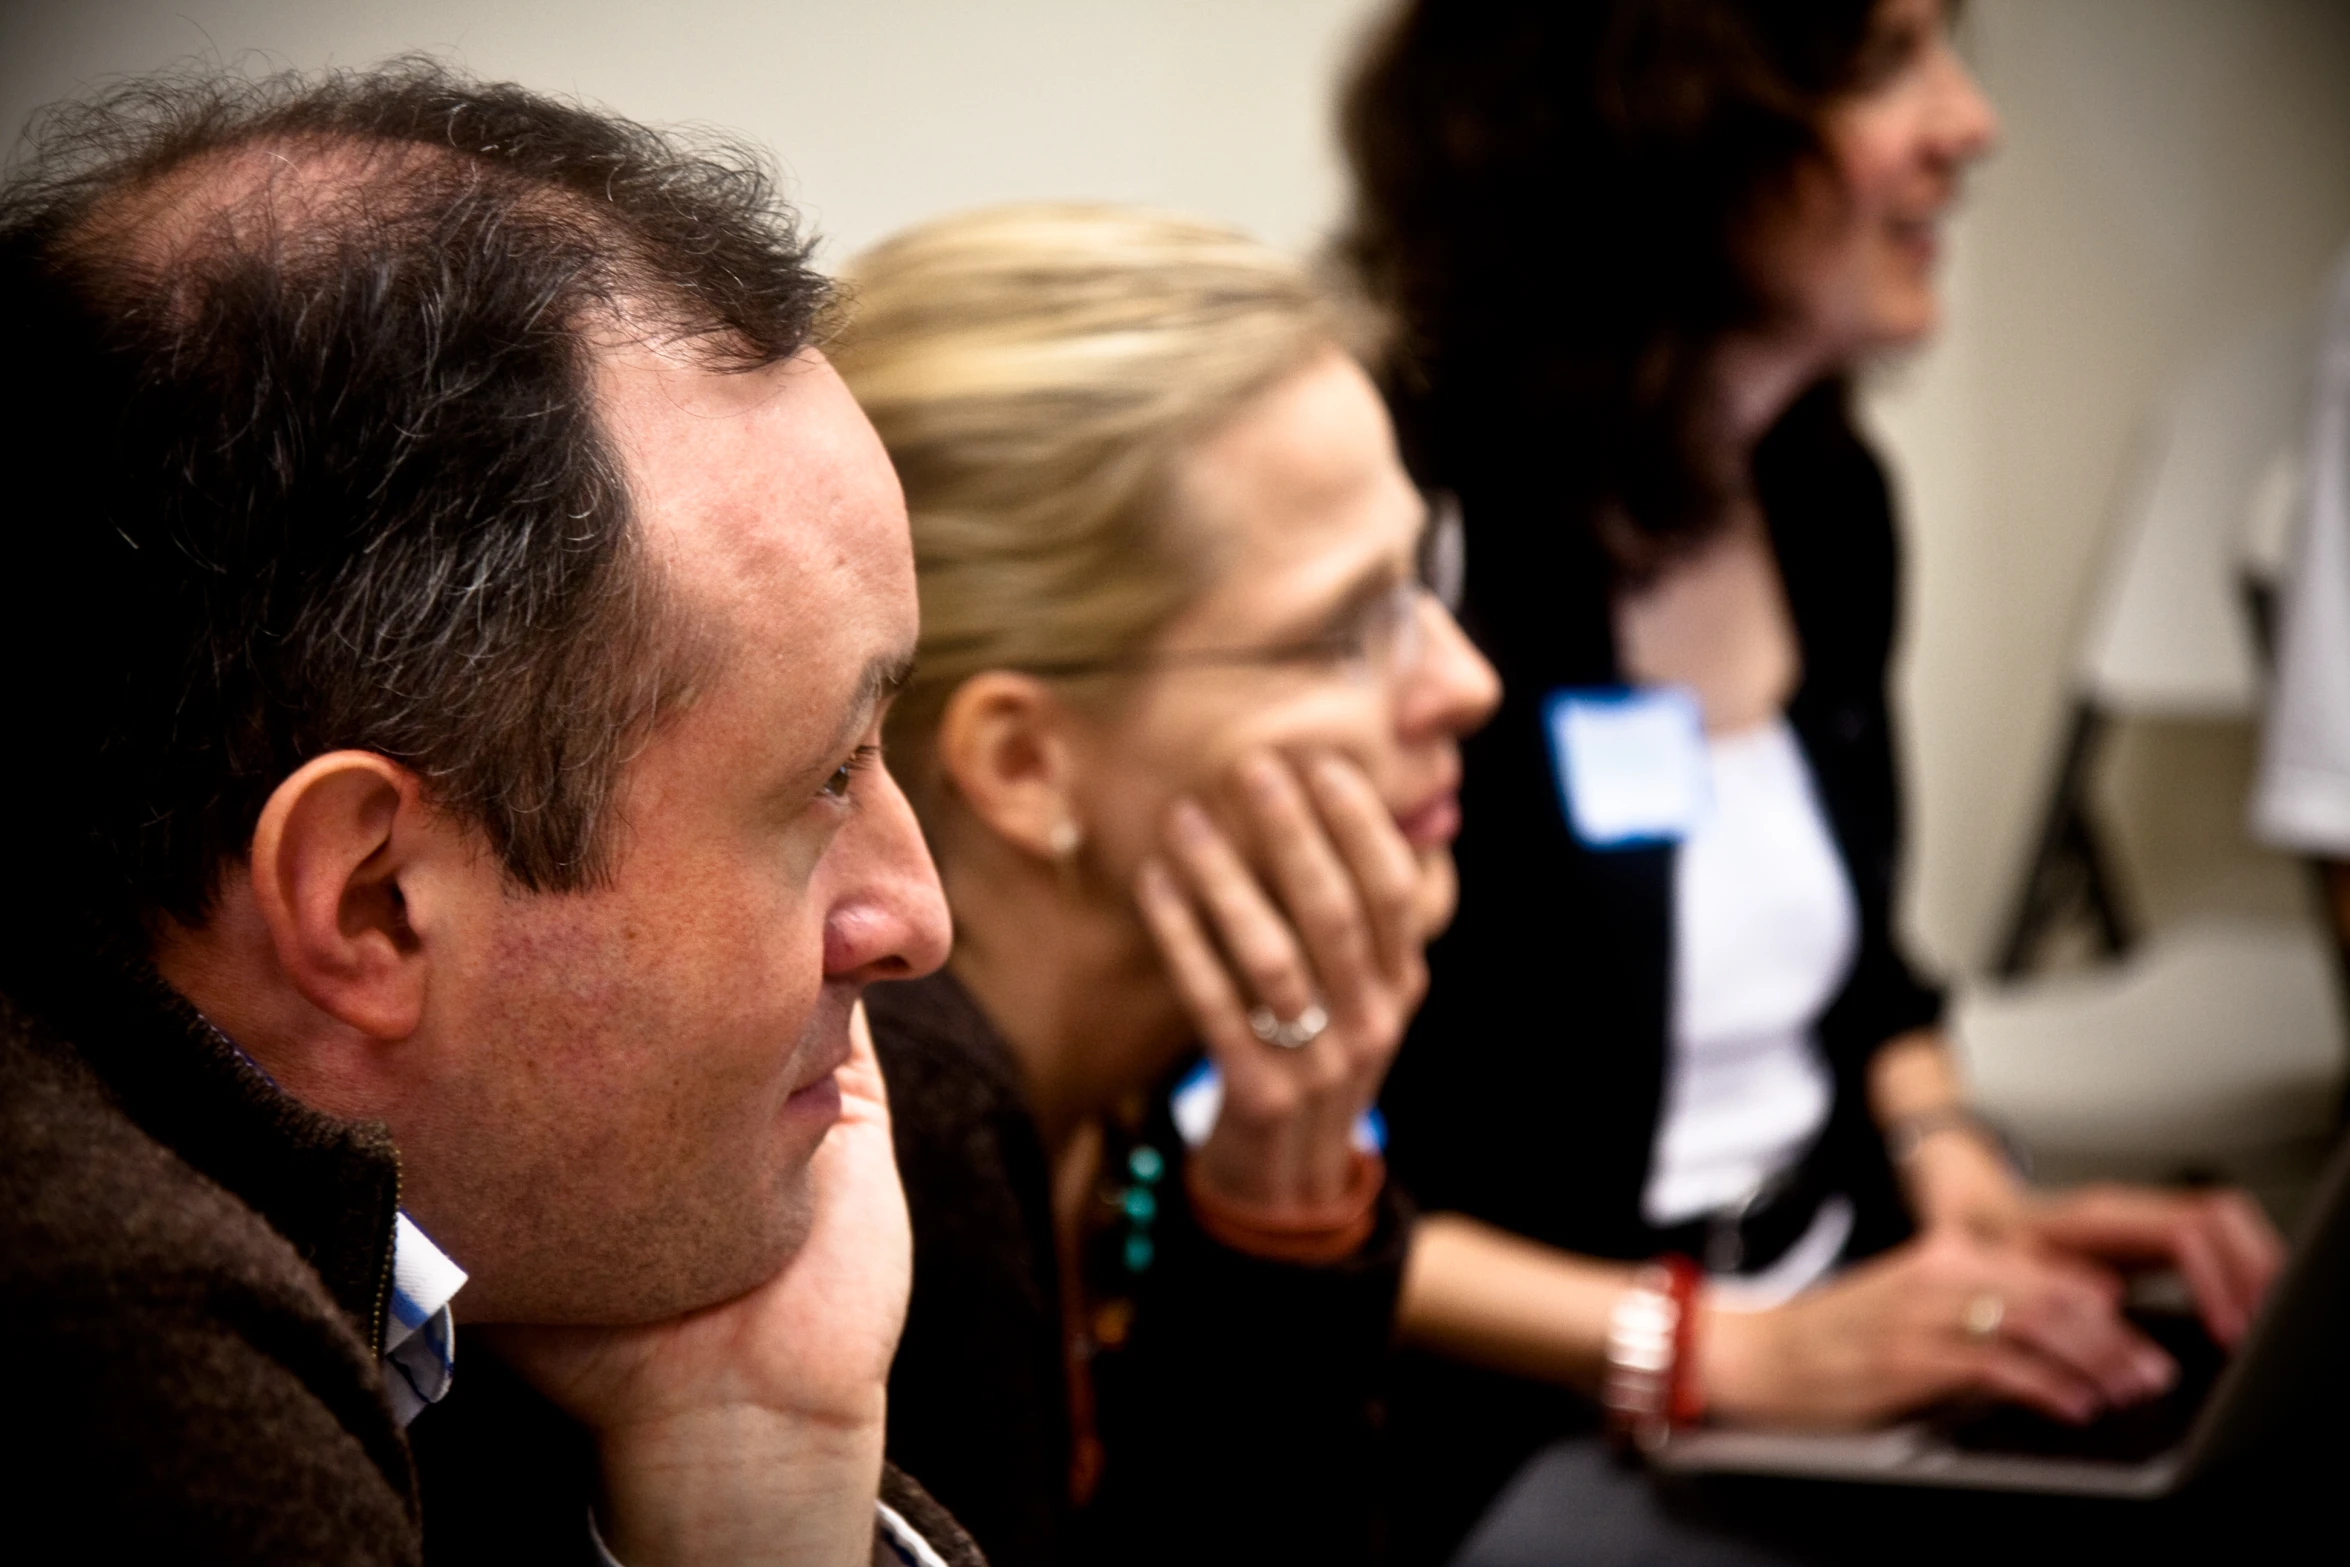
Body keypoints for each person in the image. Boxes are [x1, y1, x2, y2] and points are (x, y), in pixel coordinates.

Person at [1338, 0, 2288, 1558]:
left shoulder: (1819, 490)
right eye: (1880, 59)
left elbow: (1868, 979)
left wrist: (1963, 1174)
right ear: (1645, 121)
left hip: (1841, 1317)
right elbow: (1238, 1171)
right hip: (1535, 1414)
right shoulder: (1404, 544)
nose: (1966, 124)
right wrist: (1707, 1352)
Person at [0, 63, 975, 1565]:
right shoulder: (117, 1368)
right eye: (827, 778)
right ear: (373, 898)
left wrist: (755, 1457)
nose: (914, 919)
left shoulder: (463, 1237)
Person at [828, 204, 1502, 1566]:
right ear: (1025, 762)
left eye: (1424, 580)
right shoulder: (894, 1142)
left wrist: (1284, 1193)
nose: (1464, 681)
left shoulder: (1109, 1100)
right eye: (1345, 628)